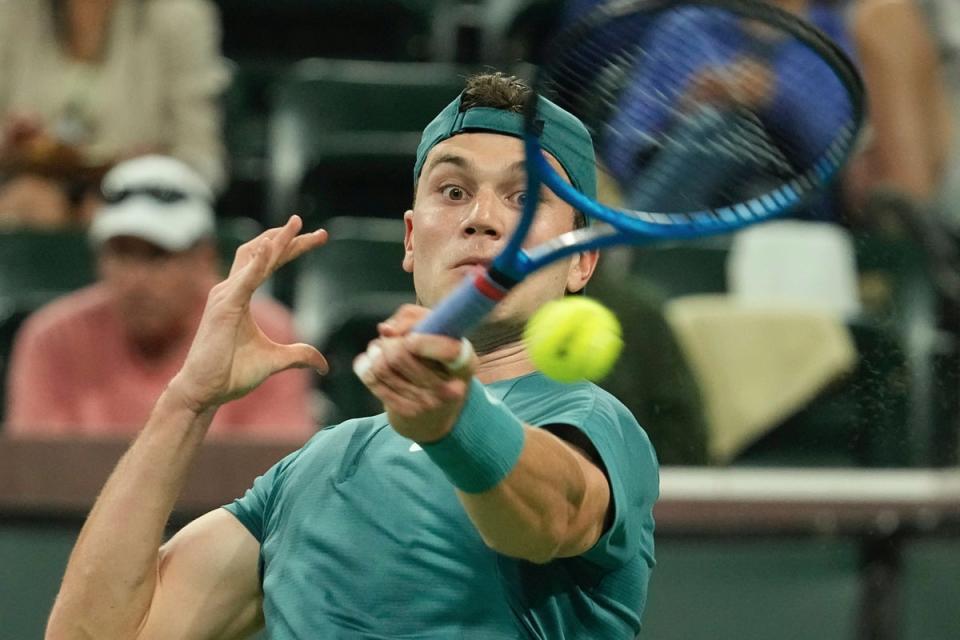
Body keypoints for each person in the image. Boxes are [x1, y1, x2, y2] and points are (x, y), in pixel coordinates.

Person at [44, 73, 659, 639]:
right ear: (413, 241)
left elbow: (547, 518)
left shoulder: (596, 424)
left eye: (525, 198)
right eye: (453, 189)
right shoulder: (313, 470)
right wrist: (186, 400)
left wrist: (458, 421)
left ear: (581, 259)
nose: (481, 218)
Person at [4, 155, 314, 441]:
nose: (137, 280)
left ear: (204, 259)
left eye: (158, 255)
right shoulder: (51, 340)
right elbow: (37, 478)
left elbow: (278, 475)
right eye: (122, 253)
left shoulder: (266, 333)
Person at [0, 0, 228, 229]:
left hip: (142, 200)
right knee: (32, 204)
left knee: (121, 216)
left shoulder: (179, 15)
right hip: (23, 188)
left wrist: (151, 173)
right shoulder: (10, 11)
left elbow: (202, 159)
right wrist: (11, 147)